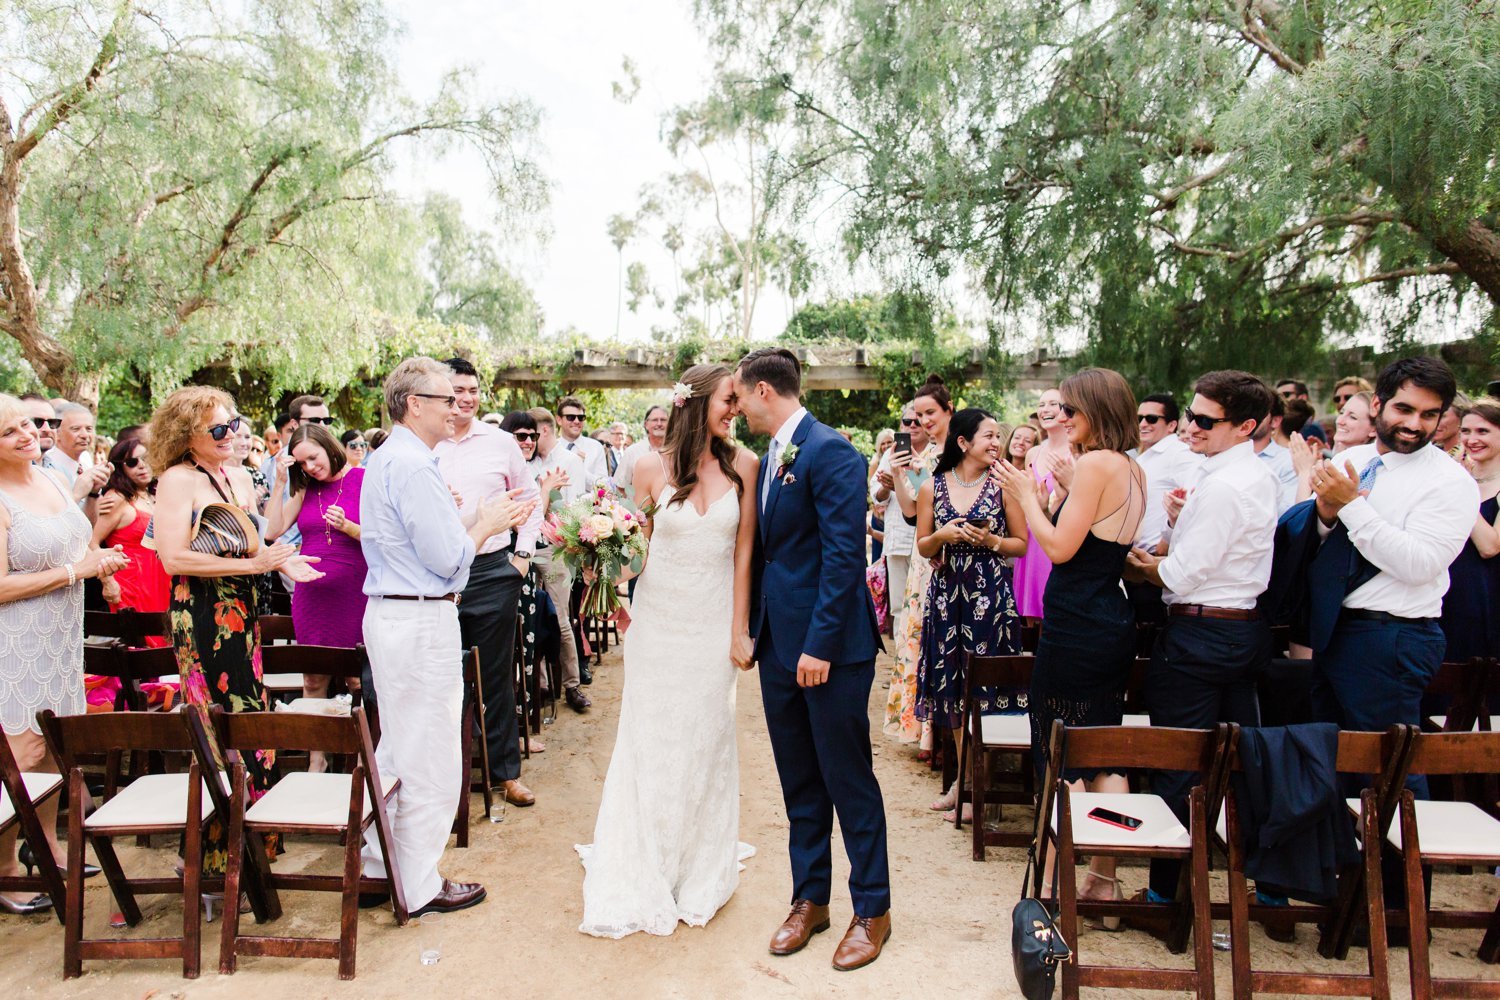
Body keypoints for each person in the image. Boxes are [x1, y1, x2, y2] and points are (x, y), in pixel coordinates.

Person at [577, 363, 761, 938]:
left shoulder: (747, 466)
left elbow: (743, 556)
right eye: (728, 400)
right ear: (697, 401)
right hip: (657, 627)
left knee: (706, 738)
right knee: (651, 737)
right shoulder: (652, 467)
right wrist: (603, 568)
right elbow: (637, 550)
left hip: (710, 628)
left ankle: (698, 865)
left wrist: (738, 629)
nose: (736, 409)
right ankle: (648, 858)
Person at [733, 347, 891, 971]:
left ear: (765, 391)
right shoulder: (772, 455)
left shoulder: (831, 452)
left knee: (848, 780)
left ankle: (872, 909)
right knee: (799, 780)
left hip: (830, 651)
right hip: (778, 645)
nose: (739, 406)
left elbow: (844, 557)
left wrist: (819, 645)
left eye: (742, 395)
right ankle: (810, 899)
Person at [357, 356, 531, 917]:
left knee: (399, 745)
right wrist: (486, 525)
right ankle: (419, 881)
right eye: (445, 399)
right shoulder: (412, 464)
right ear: (415, 404)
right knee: (429, 751)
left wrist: (474, 519)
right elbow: (447, 561)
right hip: (419, 617)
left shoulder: (393, 457)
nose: (457, 408)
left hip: (396, 612)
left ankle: (381, 865)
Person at [151, 388, 322, 881]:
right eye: (218, 429)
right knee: (218, 724)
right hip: (201, 615)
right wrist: (256, 562)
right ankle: (218, 858)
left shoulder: (237, 476)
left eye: (233, 425)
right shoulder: (178, 480)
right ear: (187, 436)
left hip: (243, 612)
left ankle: (254, 843)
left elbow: (262, 535)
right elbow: (173, 558)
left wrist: (286, 552)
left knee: (253, 717)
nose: (231, 435)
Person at [1124, 372, 1279, 908]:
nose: (1191, 426)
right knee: (1244, 761)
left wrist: (1143, 568)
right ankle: (1268, 886)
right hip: (1241, 626)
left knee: (1179, 761)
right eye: (1191, 414)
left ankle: (1166, 895)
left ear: (1245, 427)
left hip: (1199, 635)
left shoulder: (1226, 485)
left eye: (1205, 420)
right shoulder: (1252, 476)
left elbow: (1185, 574)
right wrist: (1182, 521)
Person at [994, 368, 1144, 911]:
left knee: (1063, 752)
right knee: (1105, 754)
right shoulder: (1131, 466)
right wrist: (1054, 492)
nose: (1063, 418)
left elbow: (1057, 547)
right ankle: (1103, 880)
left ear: (1095, 413)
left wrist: (1024, 495)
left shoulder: (1099, 463)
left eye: (1072, 411)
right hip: (1109, 619)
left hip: (1078, 625)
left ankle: (1053, 888)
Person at [1303, 357, 1478, 799]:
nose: (1415, 424)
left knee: (1390, 770)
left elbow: (1420, 564)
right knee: (1334, 765)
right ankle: (1350, 867)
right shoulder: (1352, 459)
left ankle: (1405, 868)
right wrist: (1323, 515)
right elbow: (1323, 542)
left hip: (1394, 635)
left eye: (1429, 415)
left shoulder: (1450, 482)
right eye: (1404, 409)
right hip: (1334, 628)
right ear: (1378, 404)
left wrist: (1351, 506)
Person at [0, 396, 127, 913]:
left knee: (54, 751)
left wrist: (100, 562)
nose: (27, 434)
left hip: (59, 639)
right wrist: (78, 572)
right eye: (9, 432)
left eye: (25, 423)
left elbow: (75, 543)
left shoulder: (52, 479)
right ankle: (5, 865)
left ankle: (47, 850)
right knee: (22, 756)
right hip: (17, 642)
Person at [436, 358, 543, 808]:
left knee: (494, 674)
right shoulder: (427, 446)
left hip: (491, 569)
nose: (466, 397)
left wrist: (521, 556)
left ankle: (505, 774)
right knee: (443, 677)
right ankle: (449, 777)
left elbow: (533, 499)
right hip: (437, 575)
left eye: (473, 389)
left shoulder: (501, 444)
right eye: (457, 389)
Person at [914, 408, 1028, 819]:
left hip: (990, 599)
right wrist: (941, 536)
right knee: (952, 691)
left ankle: (987, 787)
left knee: (986, 691)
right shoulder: (933, 486)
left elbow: (1022, 544)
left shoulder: (1004, 487)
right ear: (963, 442)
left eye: (999, 436)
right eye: (989, 436)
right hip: (947, 600)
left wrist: (992, 540)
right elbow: (924, 545)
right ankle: (965, 783)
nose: (996, 443)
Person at [265, 423, 368, 735]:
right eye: (303, 463)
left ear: (328, 446)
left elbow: (386, 538)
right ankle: (317, 760)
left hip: (355, 593)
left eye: (313, 458)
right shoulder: (304, 487)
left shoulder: (363, 479)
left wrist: (349, 526)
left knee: (356, 678)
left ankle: (361, 757)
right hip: (311, 596)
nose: (310, 467)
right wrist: (281, 483)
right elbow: (270, 531)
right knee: (313, 678)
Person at [885, 385, 952, 747]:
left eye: (929, 413)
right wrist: (899, 473)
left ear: (948, 409)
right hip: (921, 559)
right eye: (918, 415)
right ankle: (925, 732)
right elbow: (911, 511)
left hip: (950, 555)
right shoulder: (923, 458)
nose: (924, 421)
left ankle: (944, 733)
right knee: (918, 637)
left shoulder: (963, 450)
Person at [526, 407, 591, 712]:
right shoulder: (524, 462)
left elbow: (575, 507)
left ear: (547, 431)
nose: (527, 440)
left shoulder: (567, 461)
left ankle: (572, 684)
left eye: (532, 435)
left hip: (554, 548)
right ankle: (539, 685)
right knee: (532, 616)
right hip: (526, 547)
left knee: (561, 617)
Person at [1130, 393, 1203, 624]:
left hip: (1157, 561)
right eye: (1139, 417)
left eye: (1152, 419)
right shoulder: (1144, 457)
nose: (1143, 423)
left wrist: (1167, 536)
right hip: (1136, 561)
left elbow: (1196, 494)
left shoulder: (1178, 453)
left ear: (1172, 425)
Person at [1440, 397, 1500, 663]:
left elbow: (1490, 546)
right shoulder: (1449, 476)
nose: (1472, 439)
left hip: (1486, 595)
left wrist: (1464, 489)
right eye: (1466, 431)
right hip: (1444, 591)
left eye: (1483, 431)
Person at [92, 438, 170, 625]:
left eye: (146, 458)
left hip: (161, 583)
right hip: (131, 586)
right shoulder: (116, 499)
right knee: (141, 647)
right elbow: (92, 542)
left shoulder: (155, 494)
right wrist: (108, 581)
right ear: (121, 468)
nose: (142, 465)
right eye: (132, 462)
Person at [1014, 387, 1069, 619]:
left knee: (1053, 611)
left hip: (1057, 535)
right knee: (1028, 619)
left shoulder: (1076, 452)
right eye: (1042, 404)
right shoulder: (1033, 454)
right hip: (1030, 535)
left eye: (1053, 404)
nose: (1046, 409)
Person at [1252, 393, 1298, 514]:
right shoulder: (1215, 452)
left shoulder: (1288, 460)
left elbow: (1286, 512)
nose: (1248, 416)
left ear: (1275, 421)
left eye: (1257, 411)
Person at [616, 405, 668, 496]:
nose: (659, 423)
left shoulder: (677, 452)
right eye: (655, 420)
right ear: (646, 424)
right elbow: (620, 487)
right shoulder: (632, 452)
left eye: (663, 420)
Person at [555, 395, 608, 481]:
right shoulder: (552, 448)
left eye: (580, 418)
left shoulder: (596, 447)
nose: (576, 421)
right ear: (559, 420)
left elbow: (602, 487)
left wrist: (580, 470)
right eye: (570, 417)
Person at [1275, 379, 1328, 444]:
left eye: (1286, 394)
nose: (1282, 399)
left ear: (1302, 397)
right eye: (1278, 396)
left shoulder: (1310, 426)